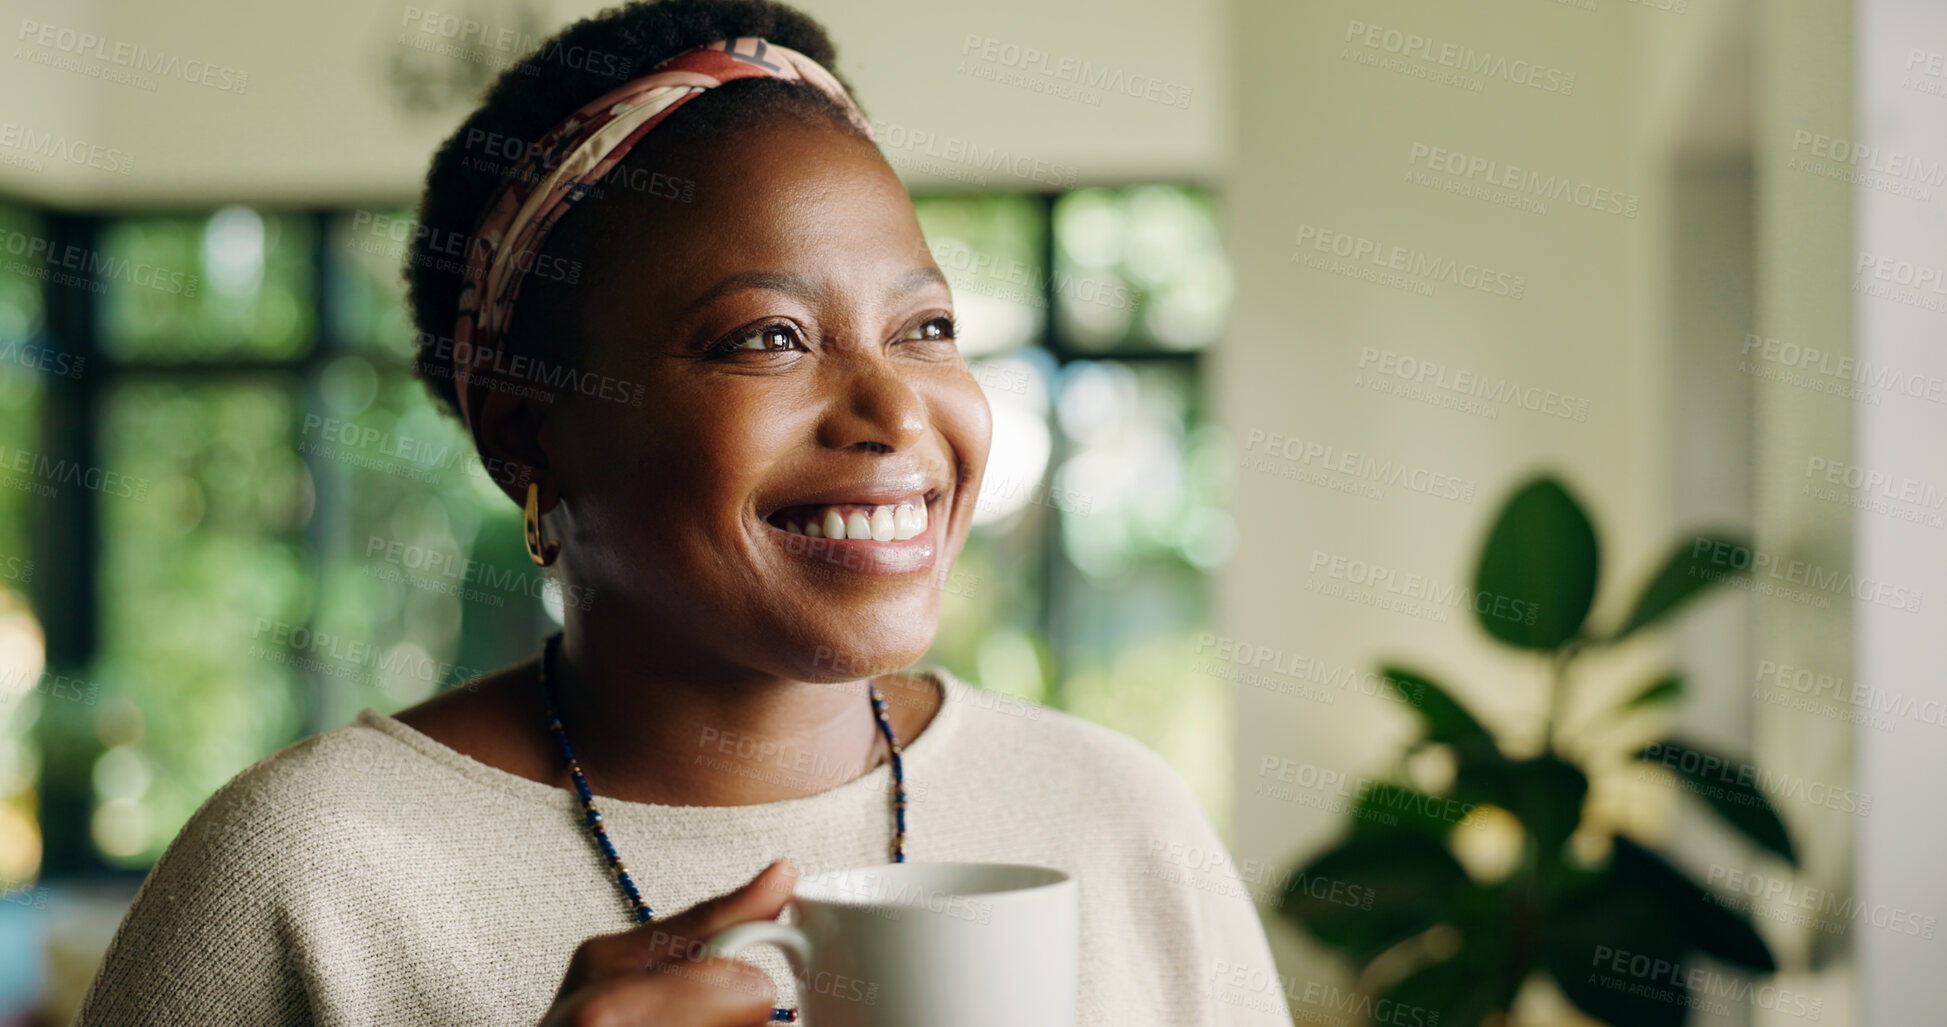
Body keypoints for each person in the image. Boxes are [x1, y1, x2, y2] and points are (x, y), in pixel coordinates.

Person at [72, 1, 1291, 1023]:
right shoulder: (306, 875)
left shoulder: (1116, 818)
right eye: (768, 337)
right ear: (527, 433)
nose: (894, 410)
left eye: (926, 328)